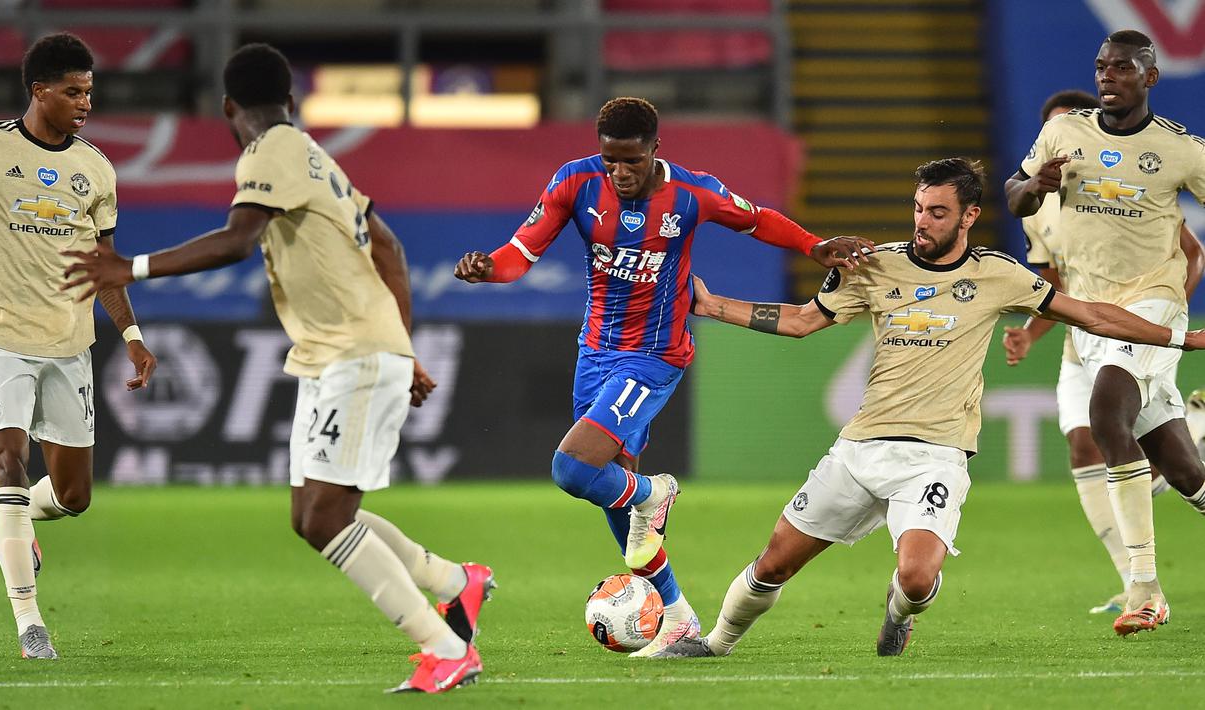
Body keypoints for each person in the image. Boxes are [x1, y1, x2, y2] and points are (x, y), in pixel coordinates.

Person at [645, 158, 1205, 660]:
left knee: (915, 578)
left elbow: (1093, 315)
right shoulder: (874, 266)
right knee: (773, 563)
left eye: (938, 212)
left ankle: (897, 614)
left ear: (969, 217)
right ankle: (714, 643)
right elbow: (801, 321)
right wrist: (715, 305)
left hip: (936, 457)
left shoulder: (998, 274)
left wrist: (1178, 339)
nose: (922, 222)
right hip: (860, 448)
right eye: (918, 208)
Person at [61, 44, 491, 694]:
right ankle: (456, 583)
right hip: (338, 353)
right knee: (308, 515)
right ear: (291, 100)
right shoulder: (318, 157)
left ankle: (445, 647)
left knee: (325, 519)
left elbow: (236, 238)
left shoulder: (271, 152)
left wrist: (131, 268)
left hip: (351, 353)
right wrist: (401, 345)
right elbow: (391, 248)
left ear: (228, 107)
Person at [452, 96, 874, 656]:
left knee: (573, 468)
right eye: (611, 161)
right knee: (616, 503)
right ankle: (675, 614)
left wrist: (814, 245)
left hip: (653, 357)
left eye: (631, 160)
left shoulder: (693, 192)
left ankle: (654, 492)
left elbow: (757, 220)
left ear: (655, 150)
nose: (620, 173)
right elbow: (520, 253)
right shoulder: (574, 183)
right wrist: (489, 270)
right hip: (595, 352)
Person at [1005, 30, 1205, 635]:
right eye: (1101, 66)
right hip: (1086, 313)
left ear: (1150, 77)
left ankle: (1144, 589)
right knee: (1185, 470)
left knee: (1105, 419)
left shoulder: (1180, 150)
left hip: (1151, 304)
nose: (1108, 75)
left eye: (1122, 67)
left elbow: (1193, 249)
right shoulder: (1065, 134)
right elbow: (1013, 193)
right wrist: (1033, 187)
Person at [0, 32, 157, 660]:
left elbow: (104, 265)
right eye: (73, 91)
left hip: (68, 344)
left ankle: (22, 526)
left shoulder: (96, 169)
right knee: (6, 461)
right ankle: (30, 623)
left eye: (89, 92)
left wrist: (131, 337)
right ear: (38, 90)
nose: (85, 102)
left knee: (73, 495)